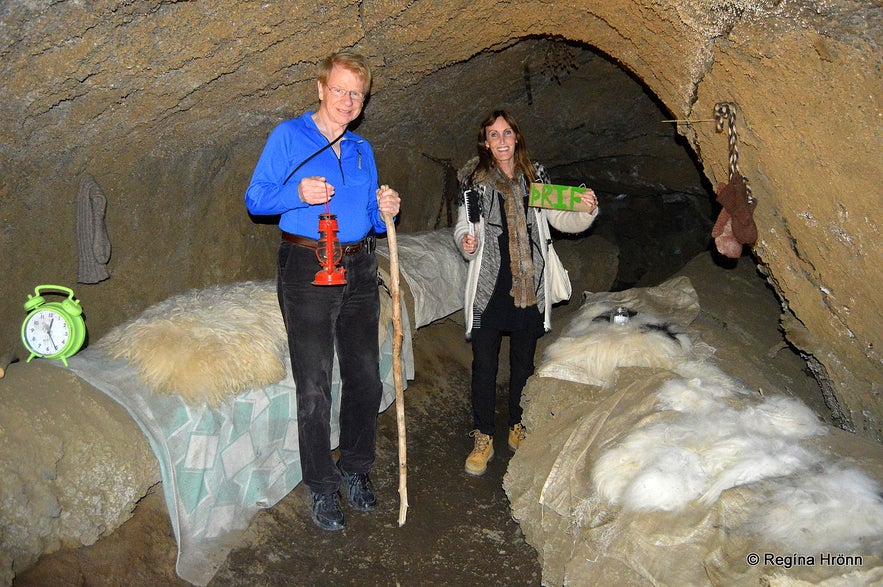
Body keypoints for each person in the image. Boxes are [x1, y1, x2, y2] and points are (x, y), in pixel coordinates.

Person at [245, 50, 400, 531]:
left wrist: (386, 209)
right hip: (308, 265)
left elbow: (371, 217)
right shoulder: (288, 137)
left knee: (366, 378)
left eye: (357, 93)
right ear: (320, 89)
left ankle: (355, 469)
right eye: (339, 89)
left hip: (359, 264)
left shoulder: (361, 150)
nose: (348, 100)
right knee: (313, 385)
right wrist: (297, 194)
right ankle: (321, 485)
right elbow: (256, 198)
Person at [454, 110, 598, 476]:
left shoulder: (535, 178)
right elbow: (462, 228)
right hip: (490, 287)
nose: (501, 141)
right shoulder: (474, 182)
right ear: (485, 143)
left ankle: (517, 423)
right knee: (484, 365)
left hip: (528, 286)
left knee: (522, 362)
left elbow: (561, 217)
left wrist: (585, 209)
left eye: (507, 133)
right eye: (493, 135)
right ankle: (483, 435)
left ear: (516, 138)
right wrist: (467, 242)